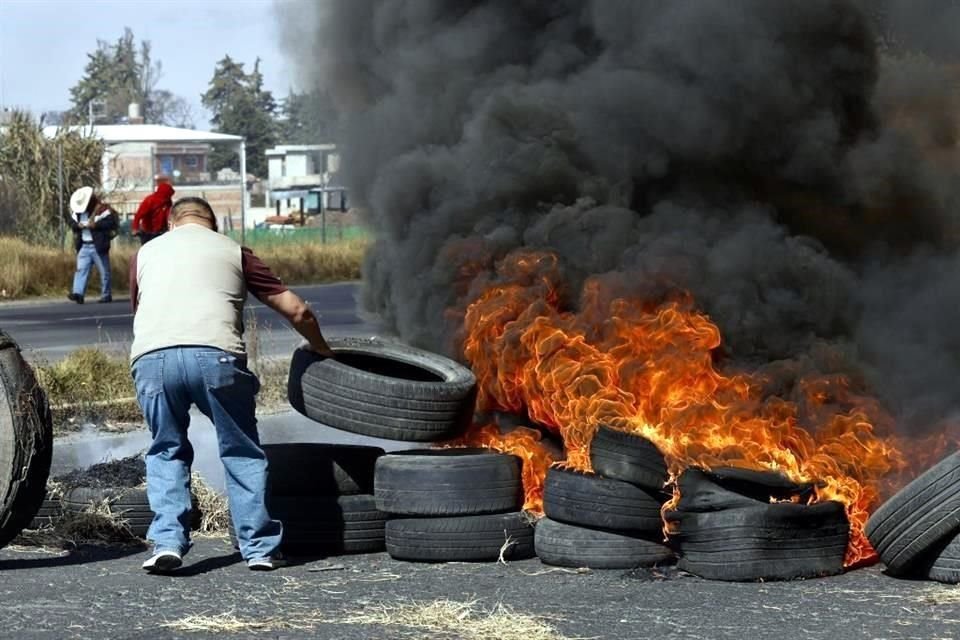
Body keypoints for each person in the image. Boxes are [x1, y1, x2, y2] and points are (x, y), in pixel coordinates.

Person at [129, 196, 335, 574]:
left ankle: (167, 543)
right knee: (239, 449)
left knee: (166, 449)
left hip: (152, 358)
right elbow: (298, 310)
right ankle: (257, 548)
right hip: (216, 357)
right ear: (213, 226)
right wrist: (321, 349)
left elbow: (142, 310)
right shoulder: (233, 251)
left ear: (171, 224)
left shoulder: (146, 253)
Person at [65, 186, 118, 304]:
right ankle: (78, 293)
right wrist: (77, 226)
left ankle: (106, 295)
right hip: (84, 245)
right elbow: (71, 222)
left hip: (98, 245)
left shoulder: (103, 210)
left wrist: (96, 225)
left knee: (104, 271)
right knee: (81, 270)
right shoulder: (78, 212)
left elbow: (111, 223)